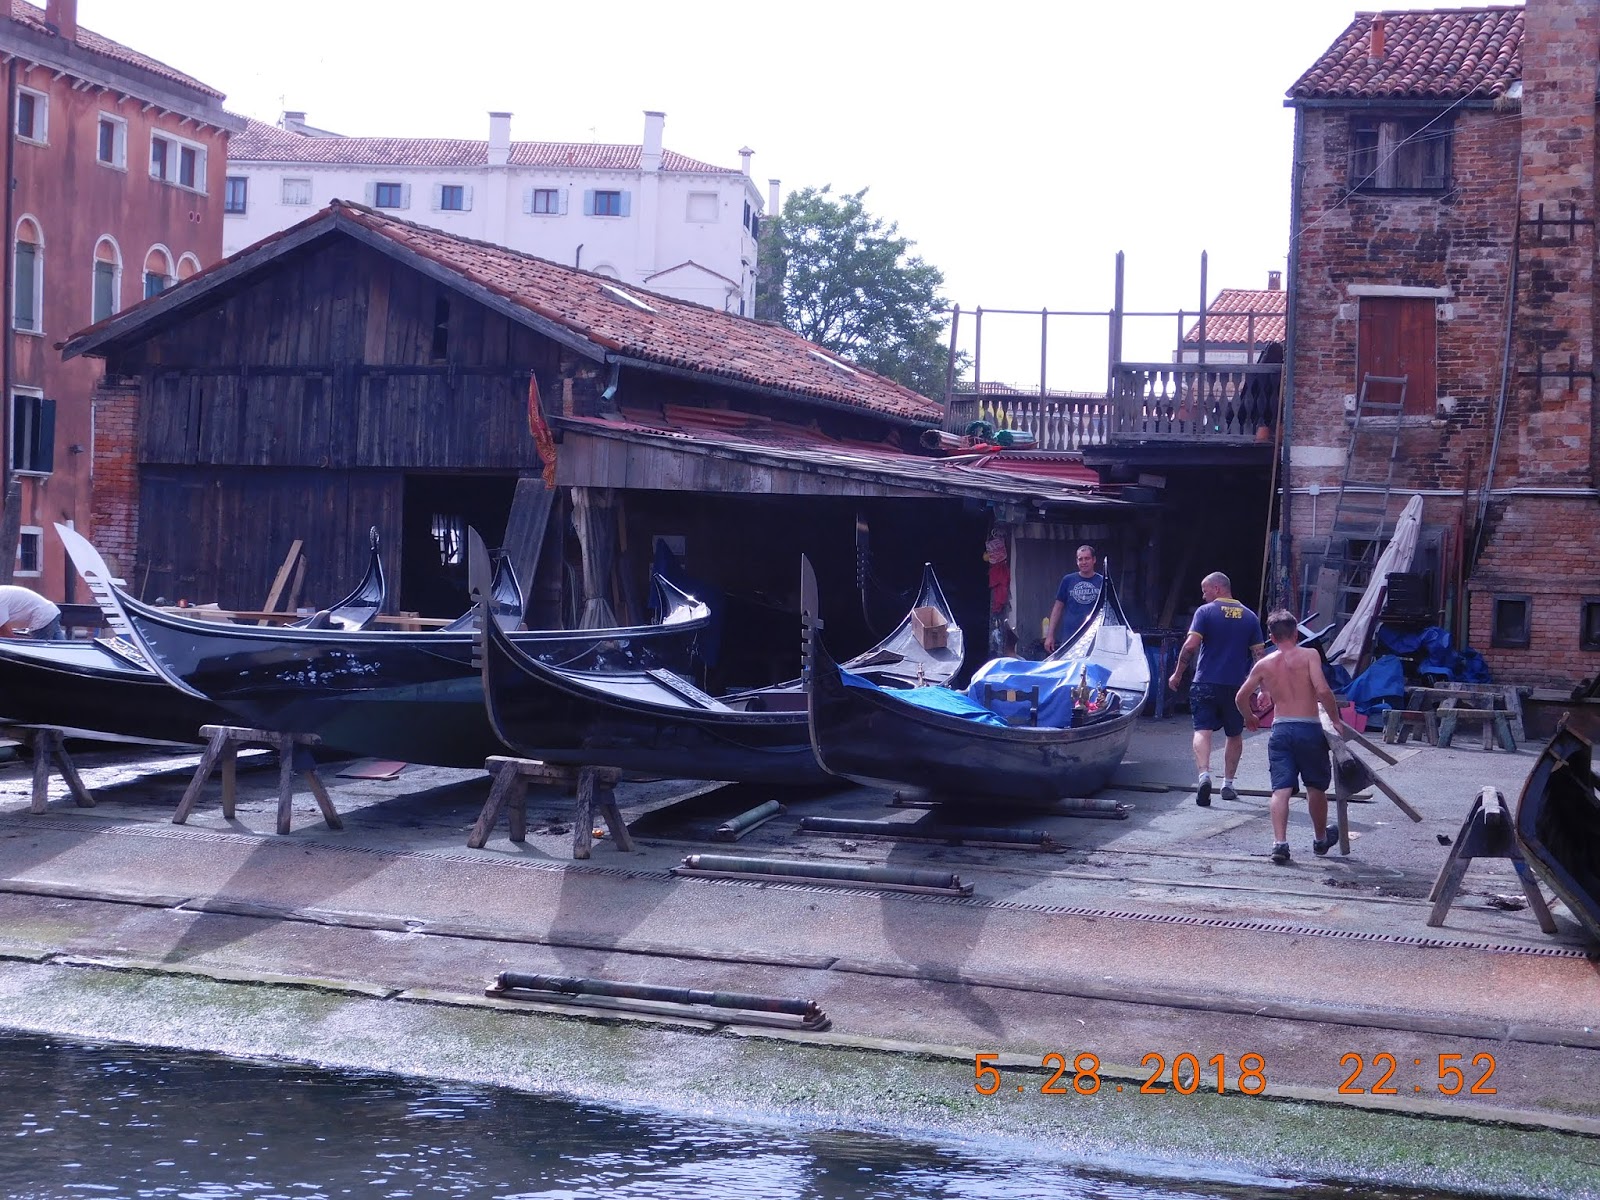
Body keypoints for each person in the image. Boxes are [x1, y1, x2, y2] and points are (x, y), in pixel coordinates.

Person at [1235, 609, 1347, 864]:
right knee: (1315, 787)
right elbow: (1322, 689)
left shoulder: (1263, 664)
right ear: (1296, 633)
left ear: (1272, 639)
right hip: (1308, 728)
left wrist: (1249, 717)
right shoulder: (1309, 655)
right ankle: (1320, 840)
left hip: (1281, 730)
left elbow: (1241, 696)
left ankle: (1280, 844)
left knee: (1281, 788)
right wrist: (1336, 720)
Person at [1167, 571, 1264, 807]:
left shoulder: (1205, 613)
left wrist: (1178, 673)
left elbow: (1191, 646)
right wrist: (1262, 688)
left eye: (1205, 590)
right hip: (1235, 687)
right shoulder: (1250, 617)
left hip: (1205, 683)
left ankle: (1204, 776)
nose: (1203, 596)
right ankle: (1228, 784)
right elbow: (1259, 655)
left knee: (1202, 730)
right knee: (1234, 735)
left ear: (1218, 589)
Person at [1043, 545, 1104, 654]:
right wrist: (1050, 635)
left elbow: (1109, 611)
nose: (1084, 562)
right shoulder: (1068, 580)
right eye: (1080, 559)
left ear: (1094, 560)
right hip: (1070, 637)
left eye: (1087, 558)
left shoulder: (1103, 582)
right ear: (1077, 561)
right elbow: (1057, 608)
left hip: (1095, 638)